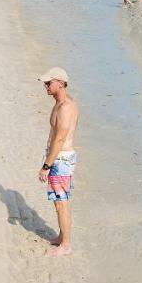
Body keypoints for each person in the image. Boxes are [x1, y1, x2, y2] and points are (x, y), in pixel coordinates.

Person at [37, 67, 79, 257]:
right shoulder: (59, 103)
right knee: (59, 201)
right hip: (58, 157)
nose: (45, 86)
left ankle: (67, 245)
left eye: (49, 82)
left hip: (61, 159)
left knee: (61, 202)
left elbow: (60, 139)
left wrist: (46, 165)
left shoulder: (65, 107)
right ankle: (62, 237)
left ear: (60, 83)